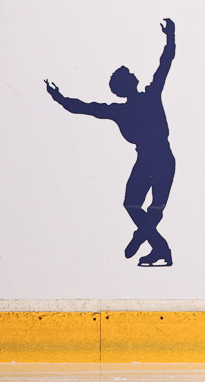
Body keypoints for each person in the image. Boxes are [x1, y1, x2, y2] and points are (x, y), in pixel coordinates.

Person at [45, 19, 178, 267]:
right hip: (150, 158)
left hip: (159, 157)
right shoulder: (132, 104)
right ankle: (156, 243)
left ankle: (150, 240)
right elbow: (83, 108)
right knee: (135, 203)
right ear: (126, 85)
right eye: (129, 76)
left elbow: (165, 63)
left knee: (151, 206)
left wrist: (170, 36)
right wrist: (59, 98)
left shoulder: (143, 99)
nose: (133, 75)